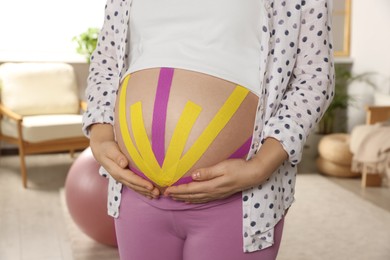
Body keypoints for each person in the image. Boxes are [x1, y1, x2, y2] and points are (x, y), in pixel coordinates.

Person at [82, 0, 335, 259]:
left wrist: (260, 166)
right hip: (136, 192)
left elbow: (314, 77)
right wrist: (100, 136)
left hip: (239, 199)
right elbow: (107, 61)